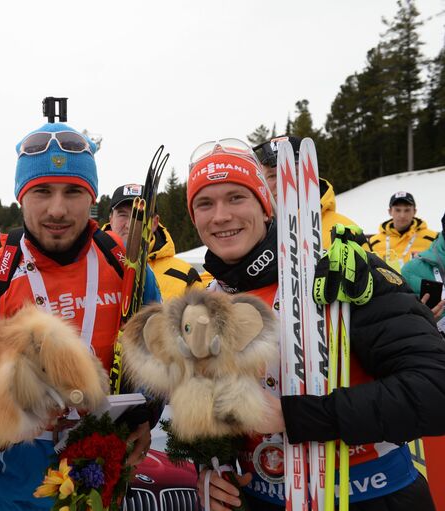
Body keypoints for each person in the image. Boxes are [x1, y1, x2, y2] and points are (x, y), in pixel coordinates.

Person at [184, 139, 445, 510]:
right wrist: (215, 468)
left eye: (236, 198)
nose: (220, 215)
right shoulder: (206, 300)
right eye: (204, 204)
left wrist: (294, 415)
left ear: (265, 205)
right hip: (261, 496)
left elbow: (434, 390)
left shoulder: (342, 273)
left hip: (373, 494)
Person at [0, 122, 161, 511]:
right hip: (14, 501)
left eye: (73, 192)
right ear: (21, 197)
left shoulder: (129, 270)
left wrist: (146, 417)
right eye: (41, 191)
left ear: (91, 197)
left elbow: (158, 371)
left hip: (104, 493)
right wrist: (7, 420)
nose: (57, 209)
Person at [253, 135, 360, 249]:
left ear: (310, 175)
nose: (282, 183)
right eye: (272, 176)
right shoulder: (251, 231)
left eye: (293, 173)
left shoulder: (345, 230)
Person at [103, 183, 202, 298]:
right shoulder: (89, 264)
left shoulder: (185, 275)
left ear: (154, 223)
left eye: (140, 215)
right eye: (122, 215)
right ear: (111, 220)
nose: (130, 225)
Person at [368, 191, 437, 272]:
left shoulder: (432, 238)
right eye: (397, 210)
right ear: (390, 211)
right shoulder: (374, 241)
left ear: (414, 211)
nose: (402, 215)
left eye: (407, 210)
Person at [402, 211, 445, 334]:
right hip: (433, 347)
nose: (402, 215)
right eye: (397, 209)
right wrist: (422, 321)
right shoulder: (411, 270)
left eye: (405, 210)